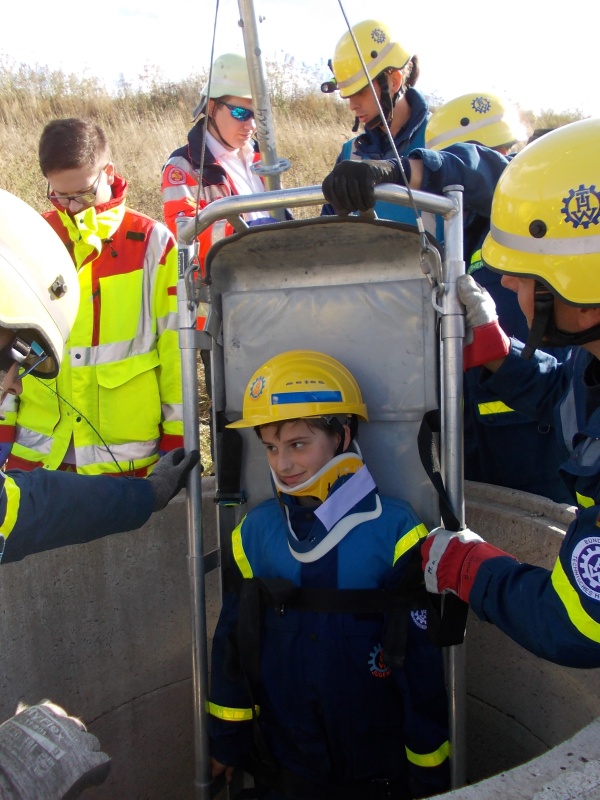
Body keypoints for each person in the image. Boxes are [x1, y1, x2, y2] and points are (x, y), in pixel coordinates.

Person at [0, 187, 198, 796]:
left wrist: (143, 494)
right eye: (10, 357)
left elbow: (26, 509)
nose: (13, 384)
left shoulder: (151, 245)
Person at [208, 350, 450, 799]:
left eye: (298, 444)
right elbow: (232, 646)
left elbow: (421, 673)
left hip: (377, 773)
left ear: (342, 435)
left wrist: (430, 777)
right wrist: (226, 739)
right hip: (284, 767)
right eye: (271, 447)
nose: (282, 464)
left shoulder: (396, 531)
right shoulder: (254, 534)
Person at [321, 94, 572, 501]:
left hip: (535, 437)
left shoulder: (528, 211)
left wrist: (402, 169)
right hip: (473, 429)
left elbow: (484, 171)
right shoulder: (461, 232)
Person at [418, 118, 600, 668]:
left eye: (525, 273)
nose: (509, 283)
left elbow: (578, 625)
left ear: (583, 293)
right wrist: (498, 351)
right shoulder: (591, 358)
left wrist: (470, 567)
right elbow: (566, 399)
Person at [0, 118, 183, 478]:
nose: (71, 207)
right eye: (59, 195)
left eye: (82, 194)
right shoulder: (33, 239)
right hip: (37, 456)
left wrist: (178, 436)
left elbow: (176, 349)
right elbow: (10, 343)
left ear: (108, 173)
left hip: (124, 457)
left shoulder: (153, 244)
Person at [161, 52, 273, 268]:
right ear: (212, 108)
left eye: (258, 114)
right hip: (223, 283)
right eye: (240, 113)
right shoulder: (183, 167)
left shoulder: (263, 158)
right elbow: (184, 234)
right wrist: (245, 234)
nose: (251, 125)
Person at [320, 19, 429, 226]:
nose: (352, 105)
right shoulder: (350, 153)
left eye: (360, 92)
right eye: (348, 95)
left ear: (394, 81)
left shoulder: (440, 138)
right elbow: (329, 231)